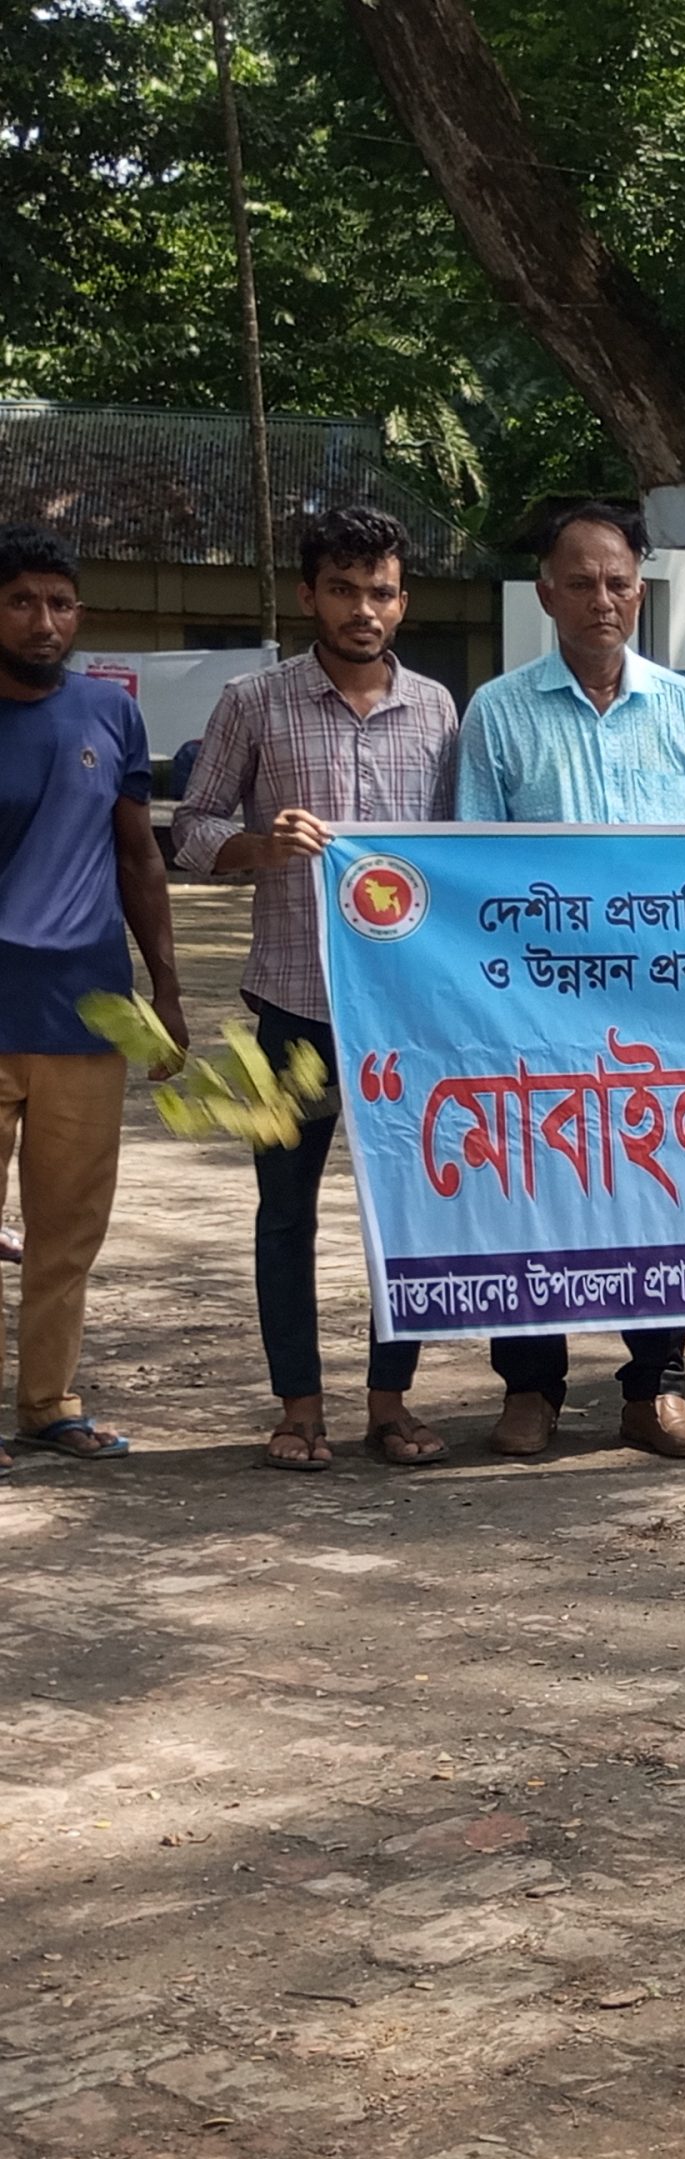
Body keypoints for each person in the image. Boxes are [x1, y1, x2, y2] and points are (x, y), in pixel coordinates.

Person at [173, 503, 459, 1472]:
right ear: (308, 596)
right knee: (286, 1212)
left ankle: (391, 1402)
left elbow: (458, 855)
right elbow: (193, 827)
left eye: (380, 591)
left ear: (402, 602)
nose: (362, 609)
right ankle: (298, 1407)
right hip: (289, 1006)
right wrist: (259, 845)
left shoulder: (438, 710)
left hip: (405, 1019)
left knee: (403, 1214)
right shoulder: (253, 702)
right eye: (342, 589)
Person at [456, 497, 685, 1462]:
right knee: (532, 1186)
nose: (602, 600)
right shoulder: (497, 712)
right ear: (546, 594)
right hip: (537, 1006)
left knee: (663, 1187)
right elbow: (477, 875)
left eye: (618, 582)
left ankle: (656, 1387)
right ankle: (530, 1386)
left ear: (641, 591)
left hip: (664, 1010)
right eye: (580, 583)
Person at [0, 525, 187, 1470]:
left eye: (61, 604)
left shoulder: (111, 715)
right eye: (22, 601)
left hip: (87, 1012)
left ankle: (48, 1404)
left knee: (67, 1230)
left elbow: (138, 857)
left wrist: (166, 989)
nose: (44, 621)